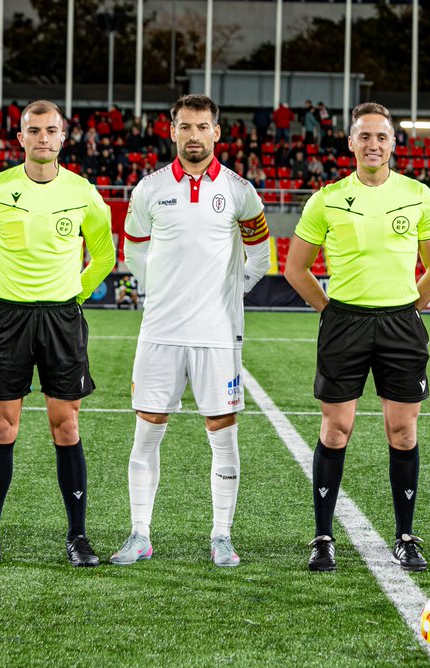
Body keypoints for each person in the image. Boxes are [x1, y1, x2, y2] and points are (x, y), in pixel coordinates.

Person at [284, 102, 430, 573]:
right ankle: (322, 536)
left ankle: (405, 536)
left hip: (400, 325)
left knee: (403, 431)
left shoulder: (418, 195)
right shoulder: (327, 198)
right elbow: (296, 268)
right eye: (365, 136)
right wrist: (331, 311)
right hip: (345, 325)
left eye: (382, 136)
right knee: (336, 430)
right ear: (351, 142)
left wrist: (407, 309)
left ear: (394, 142)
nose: (373, 144)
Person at [110, 94, 271, 568]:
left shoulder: (241, 190)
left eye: (203, 127)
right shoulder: (149, 189)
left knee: (222, 434)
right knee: (147, 432)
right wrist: (159, 289)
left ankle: (222, 535)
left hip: (217, 336)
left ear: (217, 133)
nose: (194, 135)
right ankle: (139, 533)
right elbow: (134, 252)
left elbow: (260, 255)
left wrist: (232, 289)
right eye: (186, 127)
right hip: (159, 332)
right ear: (173, 131)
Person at [0, 100, 116, 567]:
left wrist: (75, 295)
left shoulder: (84, 193)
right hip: (9, 319)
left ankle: (78, 537)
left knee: (66, 426)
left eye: (51, 130)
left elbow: (104, 256)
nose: (43, 137)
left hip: (62, 320)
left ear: (64, 137)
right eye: (34, 130)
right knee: (3, 425)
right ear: (20, 138)